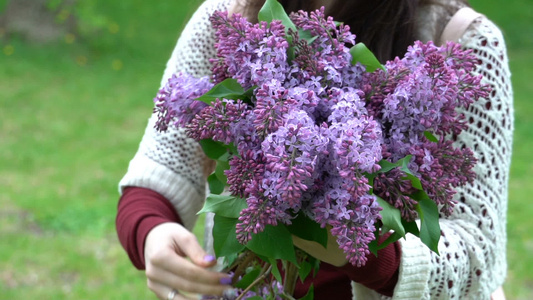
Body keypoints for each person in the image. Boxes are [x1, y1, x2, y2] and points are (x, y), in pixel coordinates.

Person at [115, 0, 513, 299]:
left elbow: (477, 256)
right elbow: (160, 168)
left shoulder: (465, 43)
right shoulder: (231, 15)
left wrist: (368, 250)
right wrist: (152, 231)